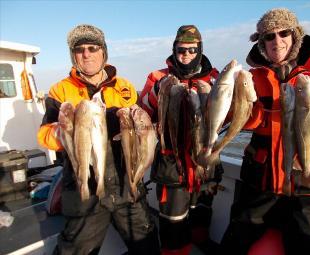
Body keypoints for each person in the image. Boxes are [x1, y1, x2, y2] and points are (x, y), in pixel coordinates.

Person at [219, 8, 310, 255]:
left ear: (295, 36)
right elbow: (245, 122)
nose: (277, 41)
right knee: (235, 240)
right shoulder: (252, 77)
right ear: (262, 43)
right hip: (262, 180)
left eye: (283, 33)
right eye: (269, 36)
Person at [37, 24, 160, 255]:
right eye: (79, 49)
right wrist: (67, 129)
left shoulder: (124, 87)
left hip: (126, 183)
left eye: (93, 48)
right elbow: (45, 136)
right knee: (73, 250)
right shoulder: (60, 91)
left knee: (148, 246)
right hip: (84, 188)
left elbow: (137, 133)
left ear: (103, 52)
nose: (86, 54)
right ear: (73, 55)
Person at [139, 25, 222, 255]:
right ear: (174, 50)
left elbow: (230, 117)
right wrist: (157, 91)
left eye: (192, 50)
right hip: (171, 164)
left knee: (202, 210)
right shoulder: (157, 77)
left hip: (205, 160)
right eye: (181, 49)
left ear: (200, 50)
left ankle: (200, 241)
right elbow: (143, 111)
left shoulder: (215, 77)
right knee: (173, 220)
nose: (186, 54)